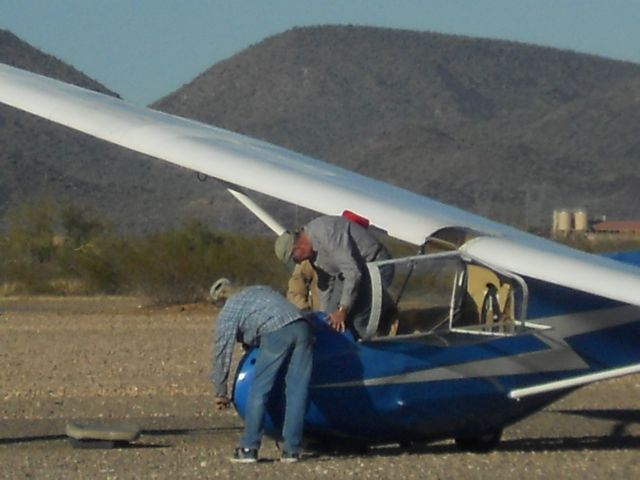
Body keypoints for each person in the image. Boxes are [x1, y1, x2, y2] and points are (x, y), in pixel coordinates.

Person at [209, 279, 314, 464]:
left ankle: (249, 447)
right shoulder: (259, 289)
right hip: (303, 326)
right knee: (297, 391)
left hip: (277, 331)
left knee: (259, 390)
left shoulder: (229, 310)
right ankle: (292, 450)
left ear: (219, 301)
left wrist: (220, 390)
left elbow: (222, 351)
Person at [274, 215, 393, 338]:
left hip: (375, 266)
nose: (298, 263)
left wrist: (342, 310)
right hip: (350, 274)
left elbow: (352, 272)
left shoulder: (326, 233)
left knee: (358, 319)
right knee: (330, 319)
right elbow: (325, 283)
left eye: (295, 259)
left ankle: (373, 342)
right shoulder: (312, 255)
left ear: (298, 247)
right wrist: (322, 318)